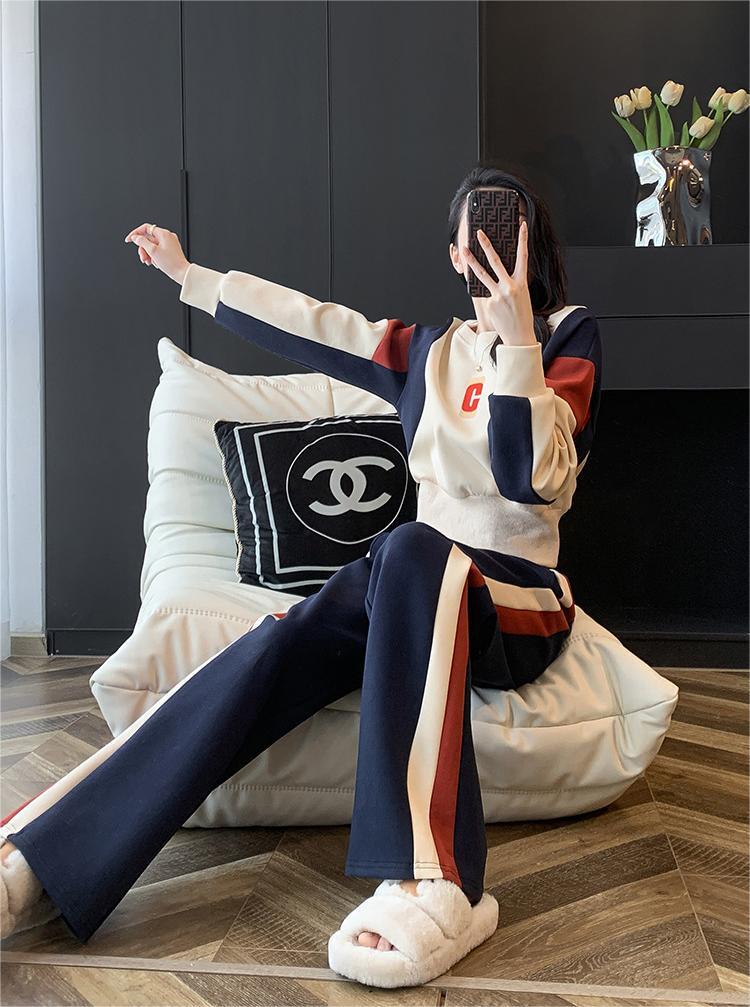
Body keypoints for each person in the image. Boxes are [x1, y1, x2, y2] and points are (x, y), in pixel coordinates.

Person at [0, 164, 602, 989]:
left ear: (532, 241)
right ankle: (44, 853)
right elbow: (313, 323)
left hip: (519, 595)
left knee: (411, 550)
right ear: (455, 256)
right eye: (475, 236)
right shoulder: (426, 353)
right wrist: (192, 276)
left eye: (506, 226)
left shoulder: (568, 337)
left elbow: (529, 478)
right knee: (277, 641)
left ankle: (437, 880)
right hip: (413, 585)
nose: (490, 247)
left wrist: (519, 343)